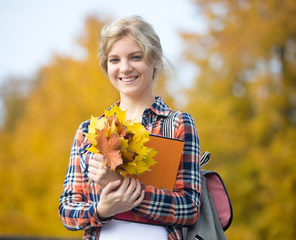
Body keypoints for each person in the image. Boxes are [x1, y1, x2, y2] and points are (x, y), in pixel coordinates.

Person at [58, 15, 201, 240]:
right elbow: (67, 210)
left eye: (135, 57)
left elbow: (189, 208)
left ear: (154, 60)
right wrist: (102, 210)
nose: (125, 68)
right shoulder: (89, 131)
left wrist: (120, 186)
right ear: (106, 66)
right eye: (114, 60)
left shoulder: (177, 124)